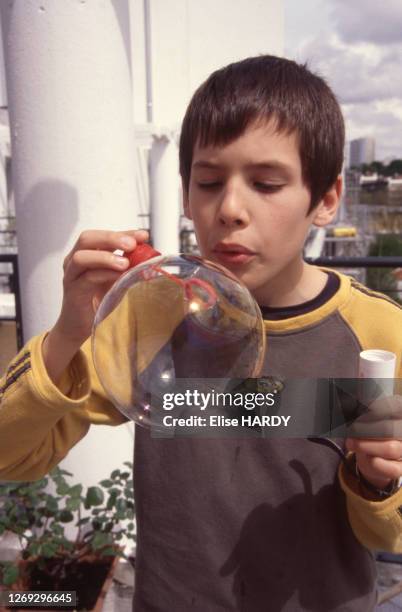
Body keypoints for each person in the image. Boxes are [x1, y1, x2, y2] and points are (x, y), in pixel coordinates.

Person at [1, 55, 402, 611]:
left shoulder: (378, 335)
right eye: (208, 182)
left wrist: (378, 486)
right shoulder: (154, 314)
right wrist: (68, 334)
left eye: (265, 183)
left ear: (326, 199)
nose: (229, 209)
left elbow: (388, 536)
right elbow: (11, 454)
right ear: (186, 195)